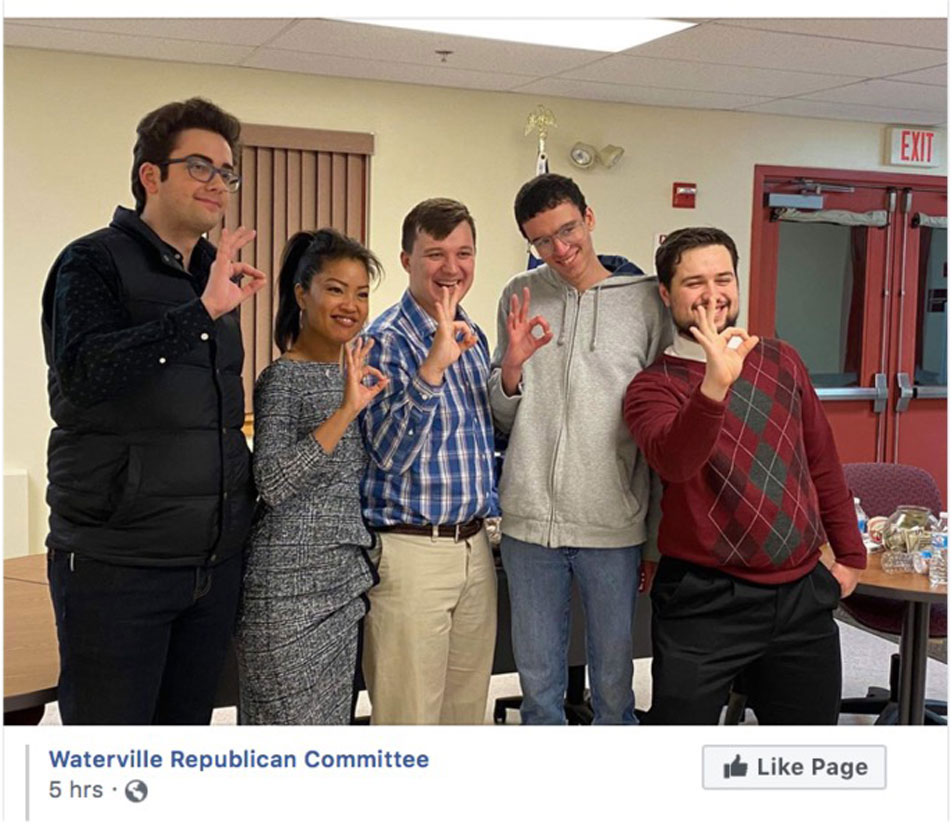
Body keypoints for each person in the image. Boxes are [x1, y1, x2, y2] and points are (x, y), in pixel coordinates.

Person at [40, 97, 267, 724]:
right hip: (120, 565)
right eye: (200, 166)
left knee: (181, 750)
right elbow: (84, 376)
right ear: (151, 176)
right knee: (113, 763)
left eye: (226, 171)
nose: (217, 183)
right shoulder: (92, 261)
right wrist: (201, 314)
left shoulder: (209, 276)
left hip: (211, 565)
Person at [623, 226, 867, 725]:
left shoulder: (782, 361)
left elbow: (820, 461)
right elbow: (675, 461)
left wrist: (849, 555)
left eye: (723, 279)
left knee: (802, 759)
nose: (712, 294)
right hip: (704, 600)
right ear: (667, 294)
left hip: (801, 593)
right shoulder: (652, 386)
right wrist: (714, 386)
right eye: (694, 283)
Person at [488, 173, 669, 724]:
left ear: (589, 218)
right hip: (527, 526)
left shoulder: (645, 302)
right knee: (539, 689)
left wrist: (655, 540)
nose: (560, 250)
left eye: (568, 231)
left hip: (612, 524)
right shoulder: (519, 293)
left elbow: (661, 427)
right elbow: (501, 418)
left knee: (614, 687)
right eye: (543, 240)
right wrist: (513, 367)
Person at [236, 228, 388, 725]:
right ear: (302, 294)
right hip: (285, 592)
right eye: (336, 289)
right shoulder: (282, 378)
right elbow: (274, 481)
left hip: (341, 587)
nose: (351, 304)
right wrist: (347, 410)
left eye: (362, 293)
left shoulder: (352, 372)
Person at [359, 198, 497, 725]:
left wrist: (510, 377)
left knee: (465, 715)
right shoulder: (385, 339)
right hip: (411, 550)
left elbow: (481, 439)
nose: (451, 268)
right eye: (435, 253)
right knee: (408, 717)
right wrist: (432, 368)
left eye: (463, 253)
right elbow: (389, 454)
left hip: (474, 544)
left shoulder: (473, 333)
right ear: (406, 259)